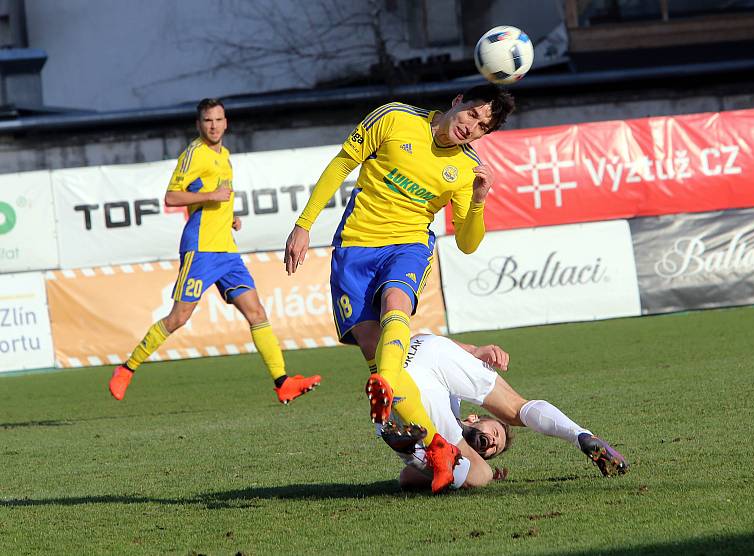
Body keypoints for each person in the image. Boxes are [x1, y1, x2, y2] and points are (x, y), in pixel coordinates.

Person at [284, 84, 515, 492]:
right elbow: (341, 165)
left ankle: (388, 392)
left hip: (408, 246)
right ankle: (436, 446)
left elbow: (466, 242)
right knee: (381, 358)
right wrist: (304, 225)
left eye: (483, 127)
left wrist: (478, 199)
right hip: (354, 248)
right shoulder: (394, 117)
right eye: (472, 115)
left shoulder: (466, 168)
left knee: (396, 305)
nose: (472, 127)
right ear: (457, 101)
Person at [108, 98, 321, 404]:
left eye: (218, 119)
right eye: (208, 120)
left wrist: (229, 216)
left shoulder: (226, 155)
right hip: (201, 249)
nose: (214, 125)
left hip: (226, 250)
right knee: (178, 318)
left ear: (226, 122)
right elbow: (171, 197)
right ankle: (127, 368)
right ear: (199, 124)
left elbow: (207, 200)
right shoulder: (194, 153)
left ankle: (282, 381)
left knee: (256, 311)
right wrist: (212, 196)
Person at [379, 334, 628, 491]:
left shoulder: (451, 427)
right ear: (474, 417)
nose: (493, 443)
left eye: (490, 450)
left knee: (513, 413)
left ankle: (407, 446)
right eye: (495, 433)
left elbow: (407, 479)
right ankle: (580, 435)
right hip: (424, 352)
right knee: (486, 465)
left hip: (411, 353)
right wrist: (474, 350)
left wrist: (473, 351)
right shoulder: (451, 422)